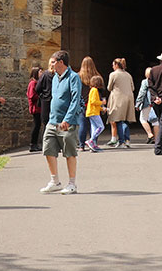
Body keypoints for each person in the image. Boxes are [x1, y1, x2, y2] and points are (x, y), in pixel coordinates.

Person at [41, 49, 83, 194]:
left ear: (61, 62)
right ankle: (55, 181)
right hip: (53, 121)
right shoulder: (54, 78)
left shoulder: (73, 77)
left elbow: (75, 100)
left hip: (67, 123)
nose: (51, 65)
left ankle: (72, 184)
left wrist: (68, 119)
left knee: (69, 152)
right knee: (48, 150)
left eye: (53, 62)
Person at [106, 57, 136, 147]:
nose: (112, 66)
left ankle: (121, 141)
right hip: (129, 98)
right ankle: (127, 140)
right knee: (126, 120)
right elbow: (133, 88)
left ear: (116, 65)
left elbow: (109, 87)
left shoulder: (113, 74)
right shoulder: (128, 75)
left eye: (113, 65)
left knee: (118, 119)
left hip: (118, 98)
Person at [77, 56, 102, 148]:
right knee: (95, 125)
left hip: (83, 103)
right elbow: (101, 90)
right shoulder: (96, 76)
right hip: (93, 104)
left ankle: (81, 145)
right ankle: (93, 142)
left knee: (82, 124)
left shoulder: (78, 76)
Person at [83, 72, 105, 152]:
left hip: (92, 111)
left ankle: (93, 144)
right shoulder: (94, 90)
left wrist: (102, 109)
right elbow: (93, 101)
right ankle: (91, 140)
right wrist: (101, 103)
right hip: (93, 112)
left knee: (94, 128)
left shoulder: (92, 90)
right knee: (101, 127)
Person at [134, 74, 157, 143]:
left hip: (147, 103)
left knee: (143, 119)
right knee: (156, 122)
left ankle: (150, 134)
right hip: (155, 102)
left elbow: (142, 92)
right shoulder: (157, 81)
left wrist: (138, 103)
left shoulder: (145, 82)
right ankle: (156, 139)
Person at [26, 66, 44, 152]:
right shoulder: (33, 83)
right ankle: (33, 144)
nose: (41, 73)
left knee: (38, 125)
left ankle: (35, 143)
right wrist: (41, 95)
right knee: (36, 126)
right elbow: (31, 96)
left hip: (38, 107)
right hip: (35, 108)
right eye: (40, 72)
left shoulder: (37, 82)